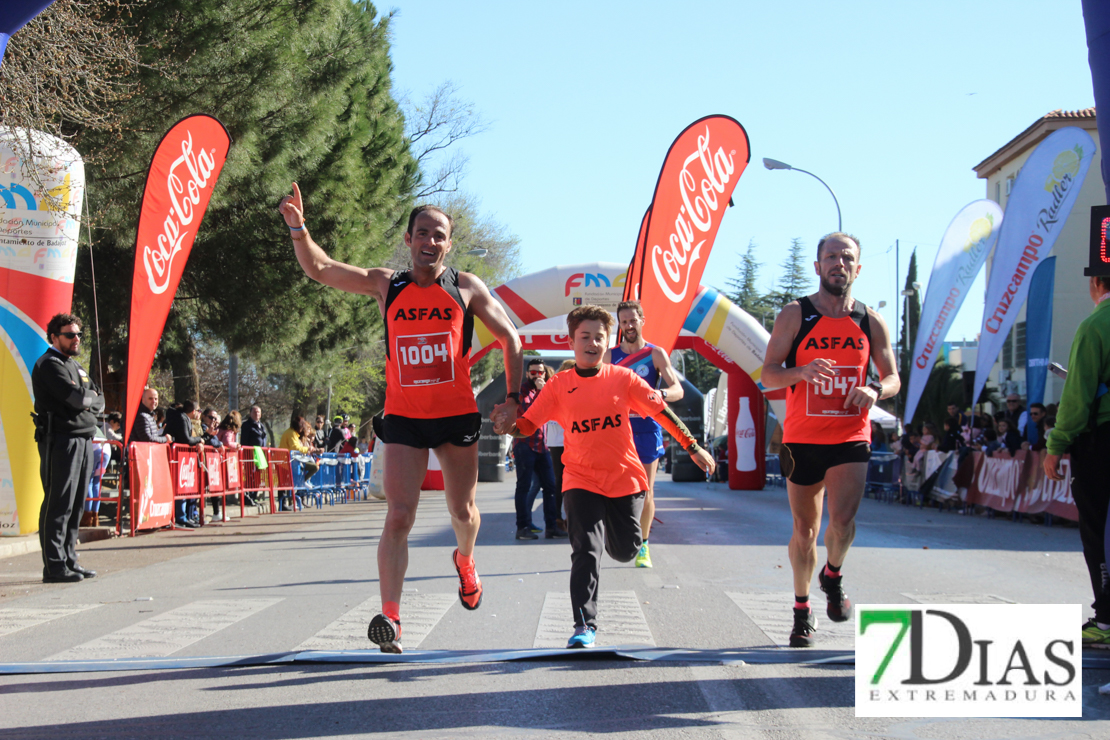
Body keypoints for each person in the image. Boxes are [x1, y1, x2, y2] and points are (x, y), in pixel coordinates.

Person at [280, 185, 523, 653]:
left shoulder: (466, 287)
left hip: (455, 419)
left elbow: (511, 340)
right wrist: (297, 226)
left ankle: (465, 560)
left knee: (462, 513)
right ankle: (391, 619)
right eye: (423, 233)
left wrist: (512, 400)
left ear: (448, 244)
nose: (430, 241)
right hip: (405, 419)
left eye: (440, 235)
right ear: (409, 239)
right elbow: (322, 267)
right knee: (398, 516)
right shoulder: (386, 284)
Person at [494, 305, 714, 648]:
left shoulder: (623, 379)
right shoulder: (558, 387)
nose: (593, 343)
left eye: (599, 337)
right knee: (586, 550)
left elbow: (661, 411)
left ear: (607, 341)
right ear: (571, 342)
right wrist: (508, 422)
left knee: (625, 551)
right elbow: (527, 425)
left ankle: (627, 541)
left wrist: (693, 446)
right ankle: (584, 626)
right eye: (585, 337)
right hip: (581, 479)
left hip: (625, 479)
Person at [760, 232, 899, 648]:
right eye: (831, 257)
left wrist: (875, 389)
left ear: (858, 268)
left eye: (847, 257)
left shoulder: (869, 320)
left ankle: (833, 575)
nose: (840, 263)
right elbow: (768, 374)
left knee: (842, 521)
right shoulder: (794, 315)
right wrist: (798, 373)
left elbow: (892, 376)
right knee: (804, 529)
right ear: (818, 267)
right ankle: (802, 610)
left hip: (850, 433)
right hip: (802, 438)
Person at [1044, 272, 1110, 646]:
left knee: (1098, 531)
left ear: (1096, 284)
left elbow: (1077, 395)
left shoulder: (1095, 325)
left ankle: (1105, 621)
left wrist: (1056, 445)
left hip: (1101, 441)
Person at [603, 300, 685, 569]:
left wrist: (659, 394)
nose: (628, 326)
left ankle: (644, 547)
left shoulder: (655, 354)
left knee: (646, 491)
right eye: (624, 321)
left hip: (648, 429)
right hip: (618, 431)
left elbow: (677, 389)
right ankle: (617, 537)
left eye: (632, 320)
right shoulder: (610, 356)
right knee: (614, 488)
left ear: (642, 320)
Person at [31, 313, 106, 583]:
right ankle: (54, 566)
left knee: (76, 504)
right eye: (70, 334)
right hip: (61, 440)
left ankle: (70, 560)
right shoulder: (50, 364)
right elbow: (76, 399)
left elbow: (100, 400)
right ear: (54, 337)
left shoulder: (76, 366)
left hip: (84, 440)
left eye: (78, 334)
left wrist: (89, 398)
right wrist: (87, 398)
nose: (76, 339)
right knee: (58, 503)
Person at [513, 359, 564, 540]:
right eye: (533, 373)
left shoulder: (545, 389)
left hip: (543, 445)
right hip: (524, 445)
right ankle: (522, 527)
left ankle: (551, 526)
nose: (537, 376)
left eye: (540, 372)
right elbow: (530, 410)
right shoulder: (522, 391)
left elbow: (555, 409)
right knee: (524, 487)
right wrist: (543, 392)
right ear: (528, 374)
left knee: (550, 486)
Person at [165, 399, 205, 527]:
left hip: (181, 457)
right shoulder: (181, 418)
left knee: (185, 488)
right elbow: (186, 439)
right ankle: (180, 517)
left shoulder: (183, 417)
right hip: (176, 456)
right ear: (193, 411)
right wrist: (200, 439)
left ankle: (185, 516)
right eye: (198, 410)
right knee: (180, 488)